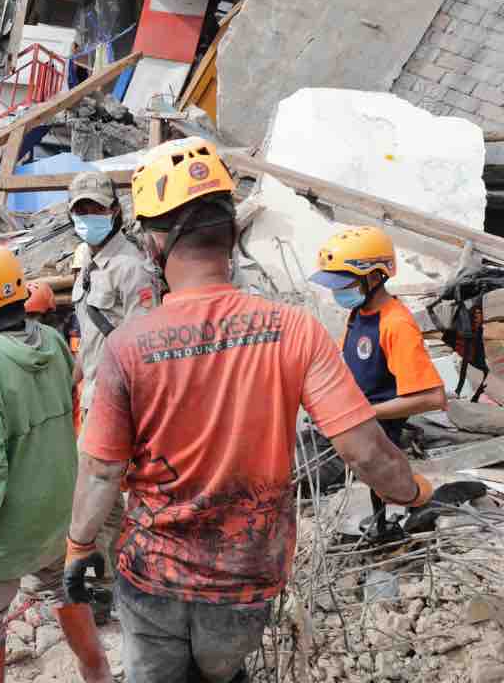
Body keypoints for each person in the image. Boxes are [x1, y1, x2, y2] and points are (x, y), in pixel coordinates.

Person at [63, 138, 434, 683]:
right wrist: (415, 492)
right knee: (223, 672)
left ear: (153, 243)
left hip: (153, 576)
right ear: (233, 233)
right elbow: (367, 452)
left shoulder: (128, 346)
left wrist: (78, 546)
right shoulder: (296, 330)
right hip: (247, 575)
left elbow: (100, 471)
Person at [0, 244, 112, 683]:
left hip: (5, 533)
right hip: (59, 517)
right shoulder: (54, 342)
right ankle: (99, 674)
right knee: (68, 592)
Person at [311, 226, 446, 541]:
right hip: (356, 423)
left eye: (343, 284)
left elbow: (432, 397)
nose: (337, 292)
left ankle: (402, 517)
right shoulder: (360, 313)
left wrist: (368, 411)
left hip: (377, 432)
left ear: (374, 277)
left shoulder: (396, 324)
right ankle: (381, 523)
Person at [69, 169, 151, 596]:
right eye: (80, 211)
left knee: (108, 495)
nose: (88, 217)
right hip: (92, 396)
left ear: (114, 210)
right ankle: (114, 585)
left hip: (119, 403)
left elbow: (142, 346)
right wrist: (75, 379)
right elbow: (91, 336)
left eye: (96, 209)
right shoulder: (86, 261)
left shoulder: (130, 268)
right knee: (105, 504)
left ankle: (119, 590)